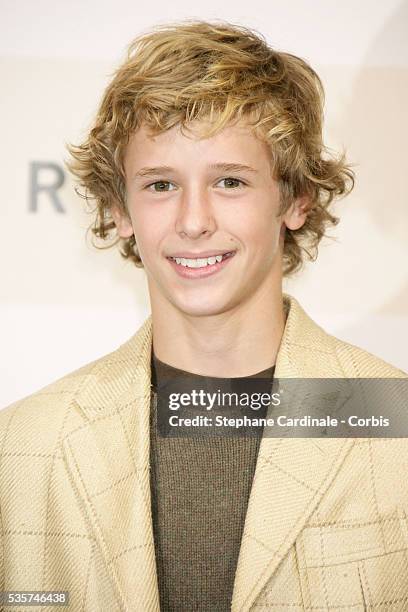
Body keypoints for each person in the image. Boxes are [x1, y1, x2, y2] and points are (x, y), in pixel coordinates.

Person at [1, 19, 407, 612]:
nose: (193, 221)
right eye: (161, 184)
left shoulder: (398, 425)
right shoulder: (21, 447)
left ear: (294, 198)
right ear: (119, 209)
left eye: (230, 181)